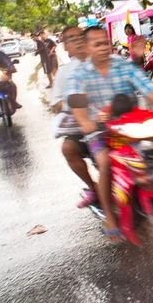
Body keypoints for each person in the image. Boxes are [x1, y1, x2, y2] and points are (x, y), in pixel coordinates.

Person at [66, 26, 153, 242]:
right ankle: (111, 218)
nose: (103, 47)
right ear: (88, 47)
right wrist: (84, 121)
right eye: (97, 44)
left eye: (105, 42)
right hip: (101, 132)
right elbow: (77, 102)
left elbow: (147, 87)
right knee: (105, 162)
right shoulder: (79, 75)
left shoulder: (123, 66)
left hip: (132, 127)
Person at [51, 26, 97, 208]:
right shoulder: (65, 72)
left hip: (114, 122)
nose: (78, 41)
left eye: (80, 36)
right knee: (68, 148)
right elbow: (57, 102)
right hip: (83, 126)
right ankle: (94, 188)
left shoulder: (105, 62)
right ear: (66, 47)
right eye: (71, 38)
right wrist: (77, 105)